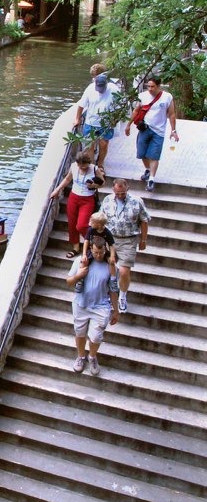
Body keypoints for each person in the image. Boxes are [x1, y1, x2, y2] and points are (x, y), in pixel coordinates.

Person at [65, 236, 119, 376]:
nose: (98, 255)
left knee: (96, 337)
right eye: (95, 253)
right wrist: (79, 275)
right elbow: (69, 282)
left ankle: (92, 356)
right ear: (91, 249)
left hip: (101, 306)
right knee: (80, 333)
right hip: (81, 304)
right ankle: (81, 356)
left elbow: (113, 290)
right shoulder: (81, 261)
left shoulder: (111, 266)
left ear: (105, 250)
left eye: (101, 253)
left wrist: (116, 310)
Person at [100, 178, 150, 313]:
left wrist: (143, 240)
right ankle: (110, 293)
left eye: (123, 193)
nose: (120, 195)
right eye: (118, 193)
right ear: (113, 190)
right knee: (109, 269)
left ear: (127, 189)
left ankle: (122, 296)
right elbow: (101, 218)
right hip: (110, 239)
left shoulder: (137, 201)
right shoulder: (107, 200)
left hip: (129, 240)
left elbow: (144, 221)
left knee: (124, 271)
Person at [125, 75, 179, 191]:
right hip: (144, 128)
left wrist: (173, 130)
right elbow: (136, 110)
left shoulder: (167, 97)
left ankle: (151, 180)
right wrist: (128, 125)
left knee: (154, 156)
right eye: (148, 86)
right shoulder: (142, 96)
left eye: (152, 87)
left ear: (159, 86)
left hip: (159, 131)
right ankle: (148, 170)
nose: (150, 89)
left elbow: (171, 114)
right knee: (142, 153)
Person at [49, 151, 104, 258]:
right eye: (80, 165)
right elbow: (67, 179)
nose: (81, 167)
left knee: (82, 225)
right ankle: (76, 248)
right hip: (74, 197)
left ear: (88, 163)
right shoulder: (74, 167)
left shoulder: (94, 169)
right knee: (72, 224)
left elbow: (102, 183)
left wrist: (94, 185)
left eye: (84, 165)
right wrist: (57, 190)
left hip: (88, 199)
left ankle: (93, 244)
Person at [74, 67, 120, 173]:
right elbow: (81, 105)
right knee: (90, 145)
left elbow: (120, 107)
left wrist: (115, 120)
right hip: (91, 122)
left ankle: (100, 164)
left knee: (104, 144)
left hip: (106, 123)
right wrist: (77, 119)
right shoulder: (90, 89)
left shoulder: (114, 89)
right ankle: (92, 165)